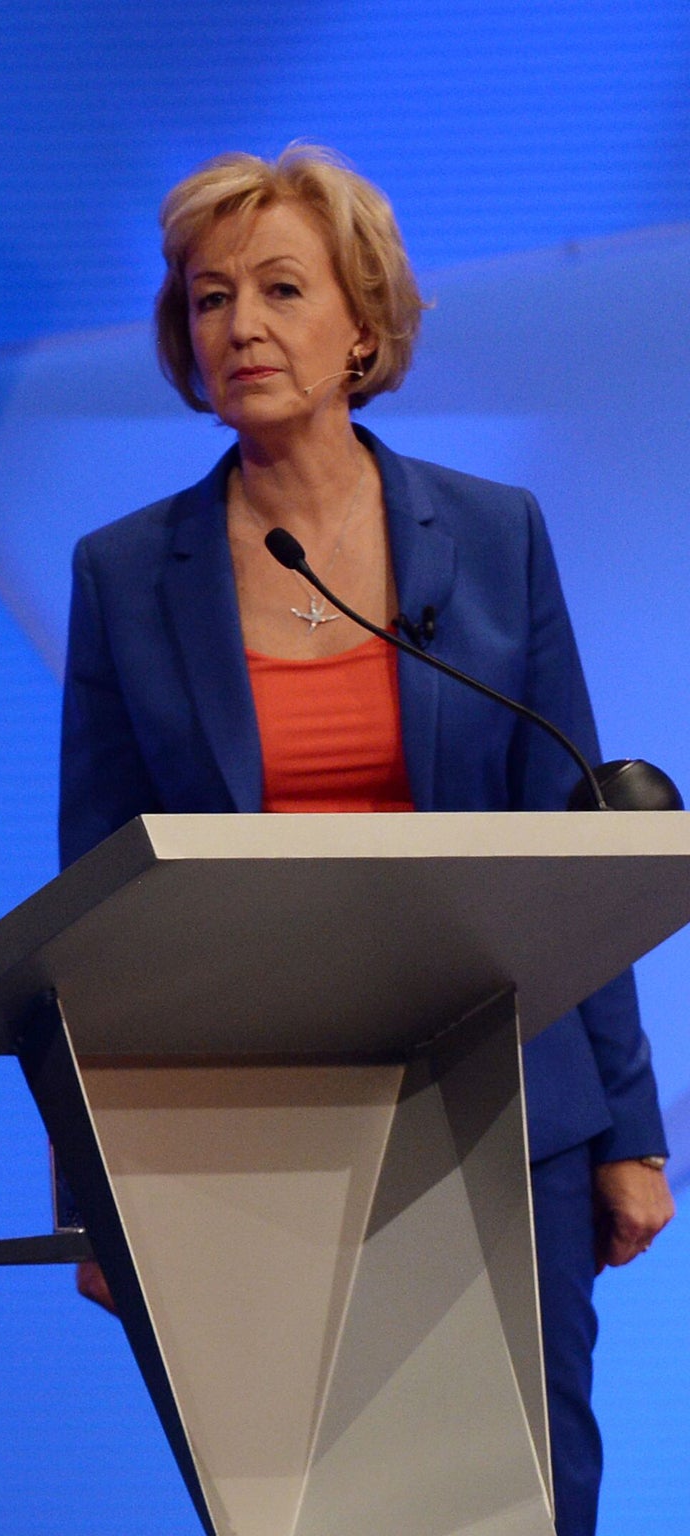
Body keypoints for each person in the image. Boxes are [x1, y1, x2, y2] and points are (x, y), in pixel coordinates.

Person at [60, 144, 673, 1536]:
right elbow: (90, 898)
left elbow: (575, 842)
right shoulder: (125, 576)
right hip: (253, 1123)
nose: (243, 328)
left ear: (364, 327)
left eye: (282, 290)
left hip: (509, 1098)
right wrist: (92, 1188)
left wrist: (629, 1130)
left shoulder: (495, 535)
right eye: (211, 300)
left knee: (530, 1497)